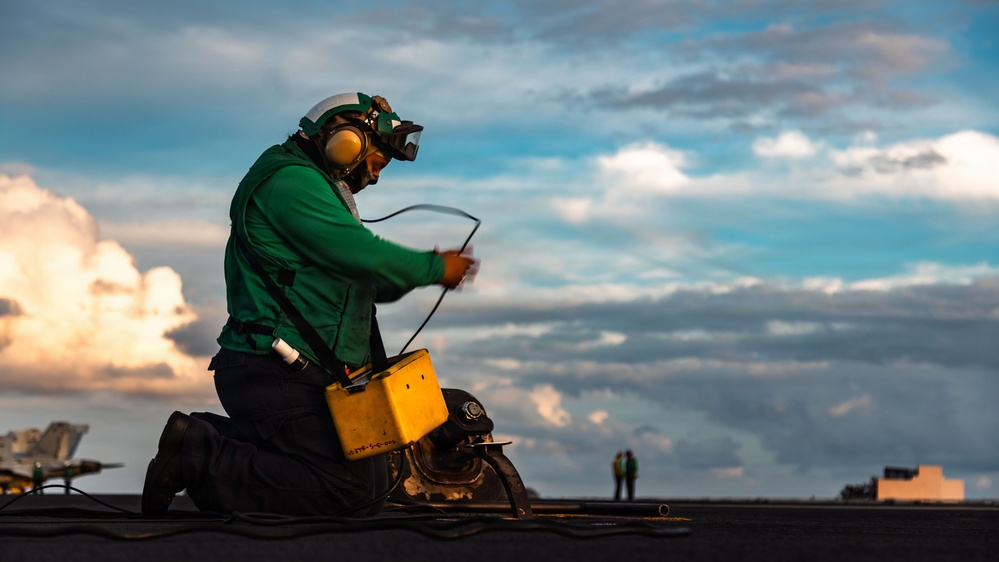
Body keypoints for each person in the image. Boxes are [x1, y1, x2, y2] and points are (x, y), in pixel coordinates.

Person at [141, 92, 477, 517]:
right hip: (275, 368)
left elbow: (367, 281)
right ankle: (196, 454)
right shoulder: (290, 183)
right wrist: (432, 267)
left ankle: (199, 437)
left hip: (303, 369)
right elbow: (362, 254)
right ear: (347, 142)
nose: (373, 179)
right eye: (375, 164)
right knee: (350, 492)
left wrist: (418, 273)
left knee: (369, 487)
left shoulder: (313, 188)